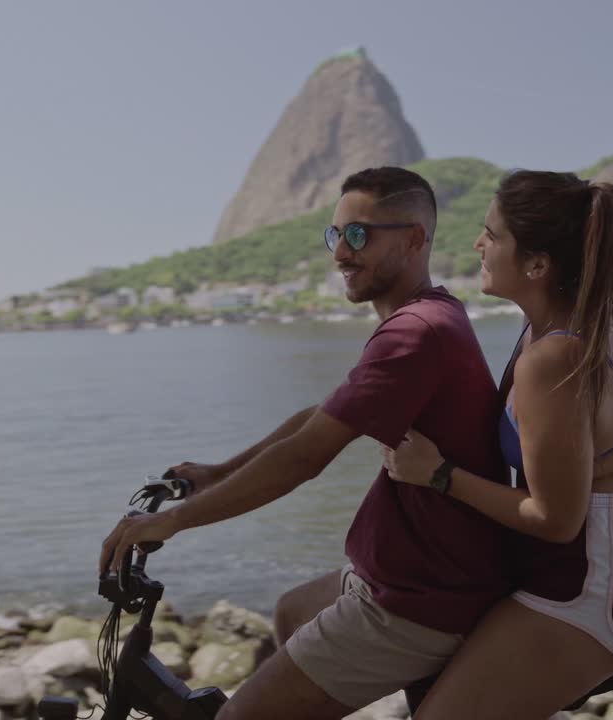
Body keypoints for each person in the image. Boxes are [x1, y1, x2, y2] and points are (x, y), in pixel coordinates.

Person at [98, 166, 512, 720]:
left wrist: (171, 522)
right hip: (405, 574)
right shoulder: (426, 314)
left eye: (359, 235)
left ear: (415, 239)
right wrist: (219, 471)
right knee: (293, 612)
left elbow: (305, 457)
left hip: (420, 600)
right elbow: (322, 416)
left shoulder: (415, 333)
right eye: (335, 235)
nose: (341, 252)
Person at [380, 170, 613, 719]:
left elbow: (555, 518)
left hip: (595, 578)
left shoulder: (555, 357)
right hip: (592, 560)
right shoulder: (564, 326)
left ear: (538, 265)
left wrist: (437, 473)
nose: (478, 245)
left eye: (492, 235)